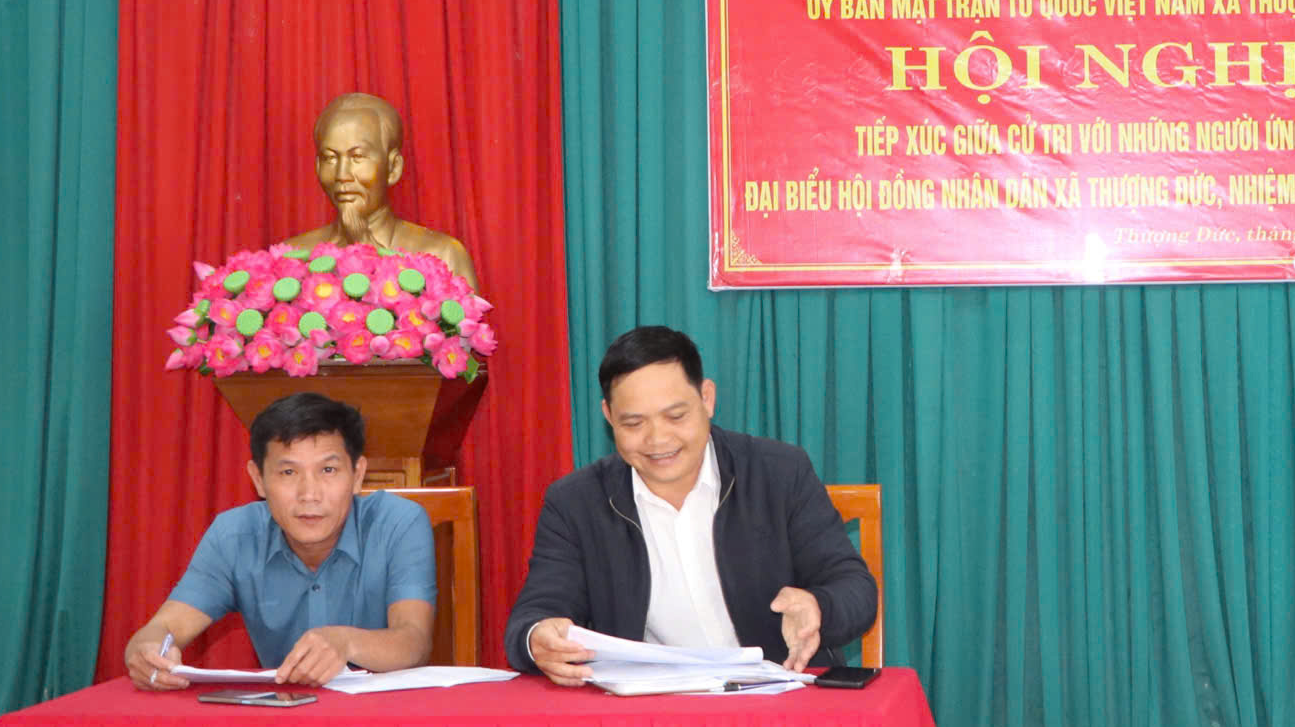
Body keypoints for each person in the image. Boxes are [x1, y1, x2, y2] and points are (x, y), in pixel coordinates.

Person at [506, 326, 877, 681]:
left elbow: (855, 588)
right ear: (608, 417)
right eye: (634, 423)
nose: (658, 439)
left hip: (774, 696)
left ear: (707, 398)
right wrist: (538, 638)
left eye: (675, 416)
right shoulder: (575, 503)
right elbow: (535, 615)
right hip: (647, 709)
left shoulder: (779, 473)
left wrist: (818, 606)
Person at [123, 392, 437, 687]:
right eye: (288, 473)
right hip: (283, 716)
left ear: (357, 475)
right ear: (258, 479)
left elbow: (414, 641)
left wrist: (346, 642)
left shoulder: (398, 524)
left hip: (380, 716)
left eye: (328, 470)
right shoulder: (234, 535)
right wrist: (146, 652)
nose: (309, 494)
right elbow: (163, 628)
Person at [280, 92, 478, 283]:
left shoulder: (442, 255)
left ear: (393, 167)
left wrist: (368, 247)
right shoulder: (293, 258)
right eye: (330, 158)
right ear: (317, 166)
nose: (342, 175)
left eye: (357, 157)